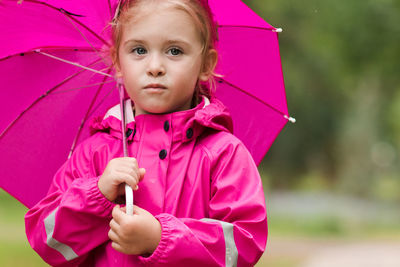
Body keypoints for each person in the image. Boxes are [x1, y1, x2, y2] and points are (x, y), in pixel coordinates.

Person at [25, 0, 268, 266]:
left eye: (174, 51)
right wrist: (97, 195)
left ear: (206, 64)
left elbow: (244, 244)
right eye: (139, 50)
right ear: (118, 61)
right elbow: (47, 243)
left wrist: (160, 237)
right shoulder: (95, 153)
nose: (155, 67)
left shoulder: (223, 153)